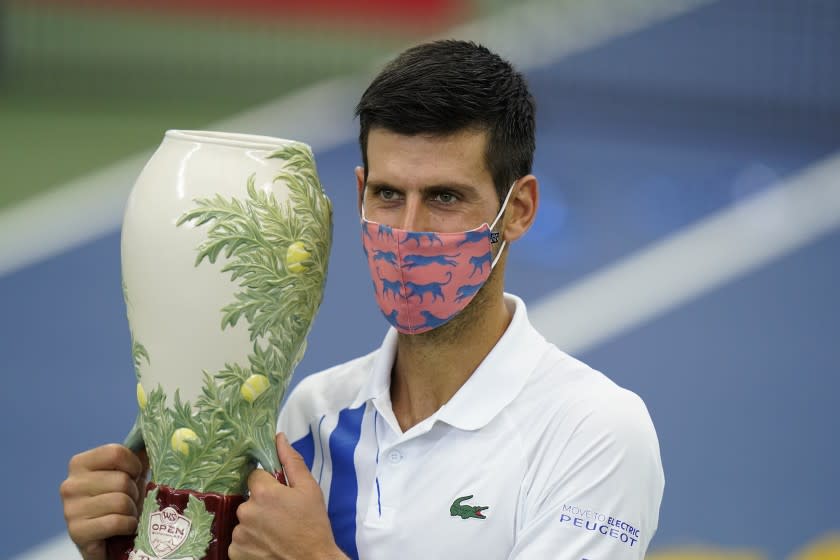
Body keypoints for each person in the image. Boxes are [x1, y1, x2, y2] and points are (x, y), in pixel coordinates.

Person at [61, 40, 664, 559]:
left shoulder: (594, 432)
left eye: (446, 197)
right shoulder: (310, 417)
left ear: (520, 210)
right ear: (358, 193)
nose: (408, 228)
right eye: (387, 194)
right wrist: (133, 544)